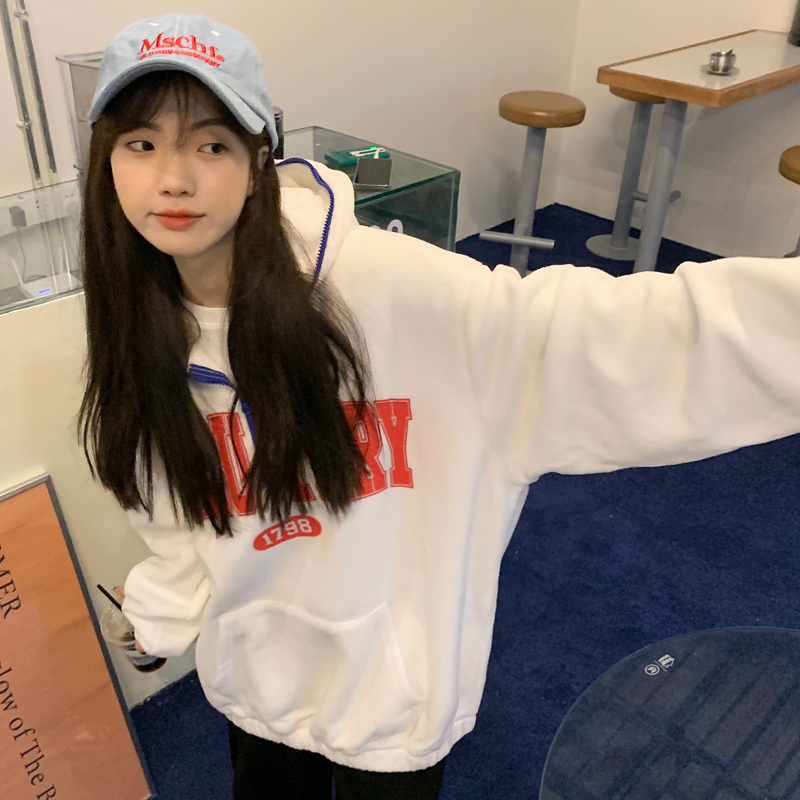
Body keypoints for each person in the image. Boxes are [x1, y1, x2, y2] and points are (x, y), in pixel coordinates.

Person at [78, 12, 800, 800]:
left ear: (259, 161)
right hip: (256, 686)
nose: (172, 179)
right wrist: (159, 614)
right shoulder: (136, 326)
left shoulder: (397, 292)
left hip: (393, 707)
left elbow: (616, 337)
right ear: (106, 162)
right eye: (140, 143)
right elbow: (178, 512)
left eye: (210, 145)